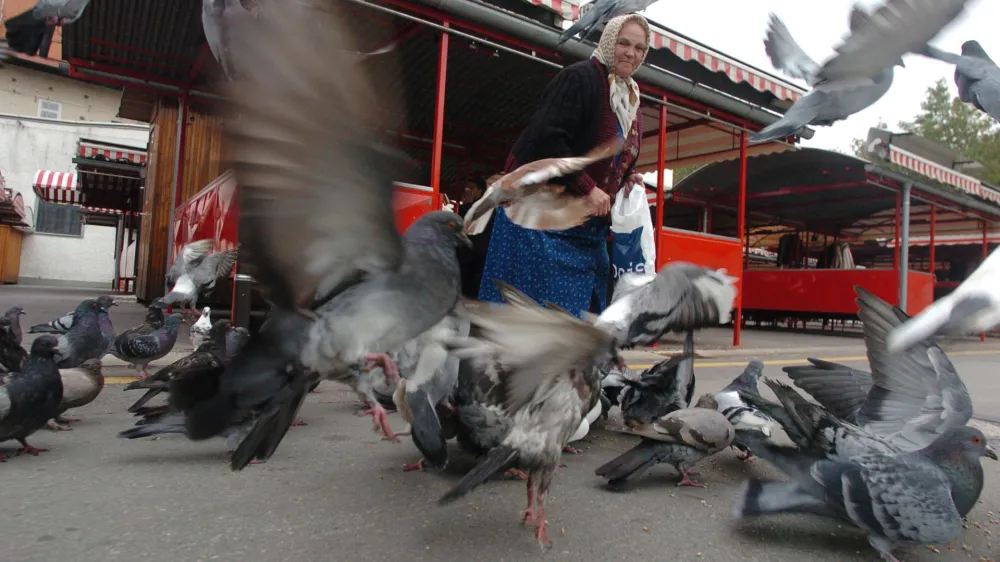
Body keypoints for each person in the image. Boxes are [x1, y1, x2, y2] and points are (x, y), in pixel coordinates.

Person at [477, 13, 651, 315]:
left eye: (639, 48)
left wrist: (627, 176)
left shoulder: (631, 101)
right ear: (609, 42)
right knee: (528, 317)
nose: (630, 53)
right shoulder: (581, 78)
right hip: (539, 218)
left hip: (585, 227)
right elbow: (548, 139)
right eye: (624, 43)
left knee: (577, 322)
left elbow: (616, 153)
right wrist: (588, 187)